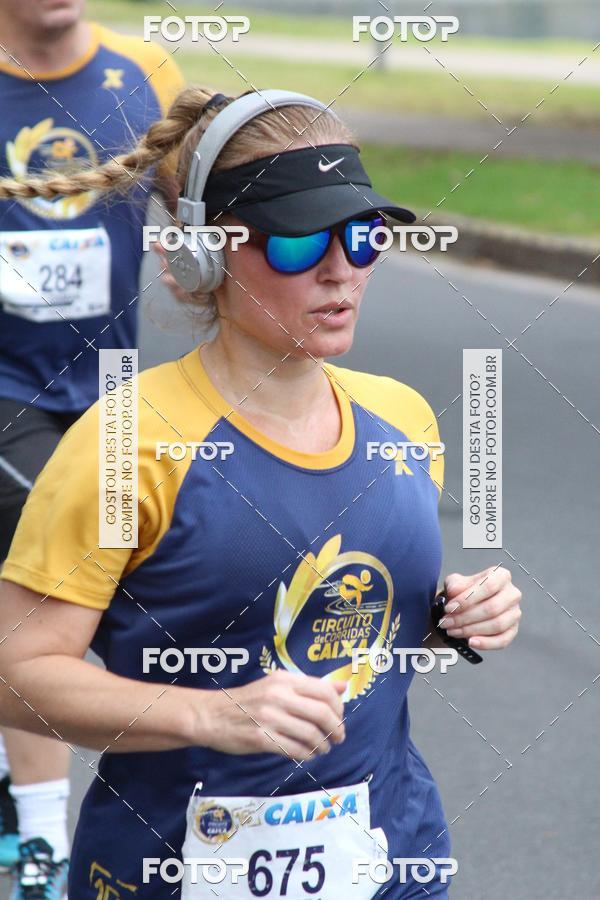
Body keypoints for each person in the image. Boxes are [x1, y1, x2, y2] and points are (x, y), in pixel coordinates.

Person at [0, 85, 522, 899]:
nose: (340, 268)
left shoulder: (404, 418)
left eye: (363, 235)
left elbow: (354, 635)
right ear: (204, 254)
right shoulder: (126, 443)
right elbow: (17, 673)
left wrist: (454, 620)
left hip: (391, 858)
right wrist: (208, 714)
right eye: (297, 242)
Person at [0, 0, 184, 893]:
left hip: (113, 387)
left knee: (97, 592)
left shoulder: (148, 73)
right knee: (53, 604)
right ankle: (39, 841)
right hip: (5, 391)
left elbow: (200, 204)